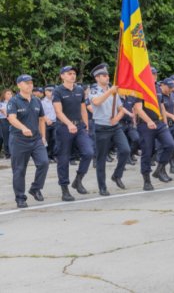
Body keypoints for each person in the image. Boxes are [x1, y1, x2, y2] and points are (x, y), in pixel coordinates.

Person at [52, 66, 95, 201]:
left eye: (74, 73)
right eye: (69, 73)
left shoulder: (79, 90)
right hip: (64, 128)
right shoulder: (58, 91)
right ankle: (64, 189)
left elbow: (83, 109)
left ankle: (78, 180)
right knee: (63, 159)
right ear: (62, 76)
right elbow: (58, 111)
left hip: (80, 126)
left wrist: (86, 125)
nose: (72, 75)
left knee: (88, 152)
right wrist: (69, 124)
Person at [6, 75, 49, 208]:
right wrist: (23, 128)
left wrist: (43, 136)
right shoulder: (14, 101)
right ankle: (20, 197)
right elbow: (11, 118)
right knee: (19, 170)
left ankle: (35, 188)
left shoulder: (37, 101)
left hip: (36, 139)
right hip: (19, 140)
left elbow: (42, 119)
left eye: (31, 83)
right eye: (26, 83)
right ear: (19, 85)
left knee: (44, 163)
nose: (30, 85)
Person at [88, 63, 130, 195]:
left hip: (115, 127)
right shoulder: (94, 91)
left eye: (107, 75)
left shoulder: (113, 90)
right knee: (101, 159)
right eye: (104, 75)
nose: (107, 77)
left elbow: (121, 109)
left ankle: (117, 175)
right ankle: (102, 187)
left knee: (125, 150)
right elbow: (96, 102)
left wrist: (117, 118)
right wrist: (110, 92)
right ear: (97, 78)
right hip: (101, 127)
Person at [133, 70, 174, 191]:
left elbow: (162, 106)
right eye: (150, 74)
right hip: (145, 125)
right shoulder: (140, 88)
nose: (153, 77)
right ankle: (146, 180)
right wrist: (148, 121)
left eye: (155, 74)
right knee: (147, 152)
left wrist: (165, 123)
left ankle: (159, 170)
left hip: (159, 123)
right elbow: (138, 108)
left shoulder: (157, 88)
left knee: (170, 144)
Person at [41, 86, 57, 163]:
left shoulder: (56, 100)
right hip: (46, 123)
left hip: (55, 122)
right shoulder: (42, 102)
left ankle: (53, 155)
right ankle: (46, 156)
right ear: (45, 92)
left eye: (52, 91)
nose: (51, 93)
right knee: (46, 140)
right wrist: (46, 119)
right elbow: (41, 114)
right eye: (49, 91)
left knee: (54, 139)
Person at [0, 89, 13, 160]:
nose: (10, 95)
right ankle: (7, 154)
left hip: (12, 120)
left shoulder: (13, 103)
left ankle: (12, 152)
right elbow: (3, 111)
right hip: (4, 120)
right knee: (6, 137)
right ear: (4, 95)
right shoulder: (1, 103)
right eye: (8, 94)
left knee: (13, 136)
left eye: (10, 94)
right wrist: (8, 116)